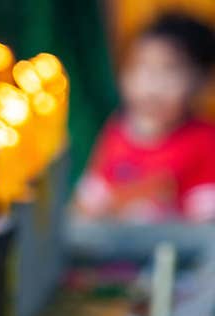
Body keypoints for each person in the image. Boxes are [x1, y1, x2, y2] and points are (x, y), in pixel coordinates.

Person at [74, 13, 215, 223]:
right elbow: (90, 200)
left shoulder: (204, 141)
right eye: (140, 68)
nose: (152, 85)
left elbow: (204, 220)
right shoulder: (117, 131)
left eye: (169, 71)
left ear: (200, 79)